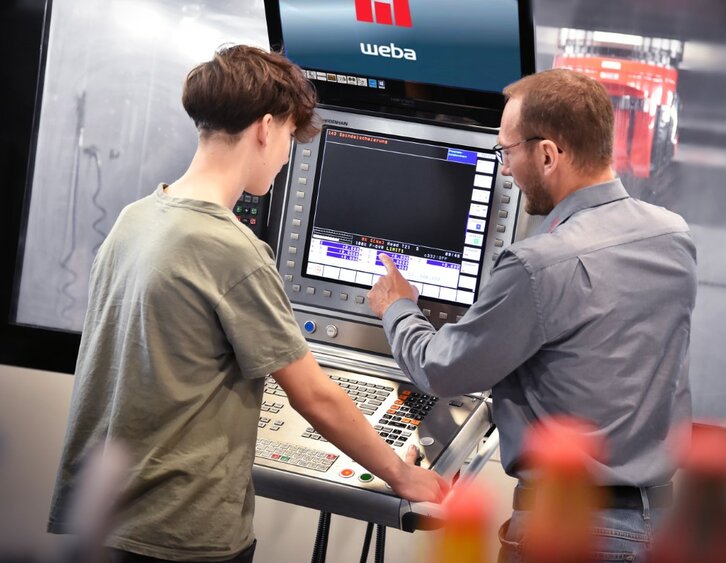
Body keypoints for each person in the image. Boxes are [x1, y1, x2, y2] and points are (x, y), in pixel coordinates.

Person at [47, 44, 448, 563]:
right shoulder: (232, 249)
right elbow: (315, 397)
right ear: (264, 128)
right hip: (179, 532)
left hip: (101, 518)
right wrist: (401, 473)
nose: (286, 156)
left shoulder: (137, 217)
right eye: (287, 137)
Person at [368, 68, 697, 561]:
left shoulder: (538, 265)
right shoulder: (673, 237)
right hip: (661, 527)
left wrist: (397, 307)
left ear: (547, 154)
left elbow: (441, 368)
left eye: (507, 152)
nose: (503, 168)